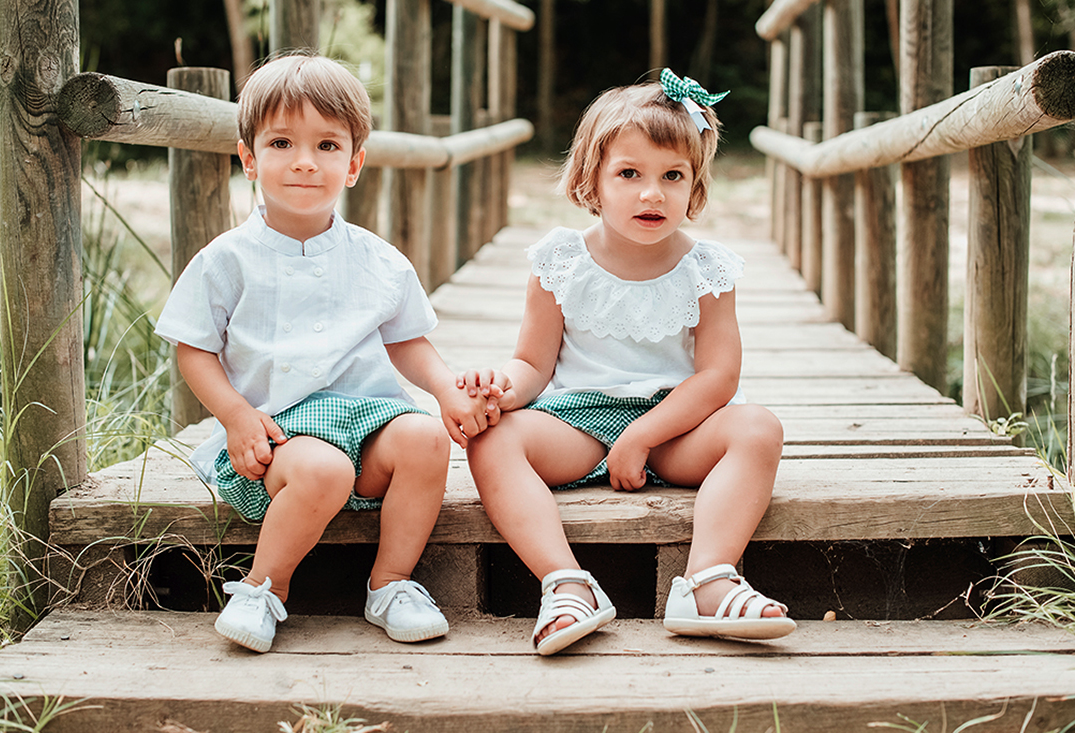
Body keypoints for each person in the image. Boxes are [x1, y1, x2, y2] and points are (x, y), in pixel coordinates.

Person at [156, 52, 491, 653]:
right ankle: (265, 587)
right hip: (278, 439)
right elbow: (195, 350)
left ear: (355, 163)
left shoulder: (379, 260)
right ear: (250, 158)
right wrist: (235, 415)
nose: (305, 162)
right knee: (323, 467)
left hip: (369, 427)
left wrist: (444, 389)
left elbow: (407, 340)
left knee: (424, 438)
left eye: (328, 146)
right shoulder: (226, 260)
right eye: (282, 143)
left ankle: (391, 583)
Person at [459, 69, 796, 656]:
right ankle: (565, 584)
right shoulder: (561, 261)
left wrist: (643, 435)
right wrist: (501, 390)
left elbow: (718, 377)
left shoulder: (707, 269)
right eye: (630, 174)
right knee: (491, 441)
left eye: (673, 177)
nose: (652, 193)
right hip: (576, 424)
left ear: (695, 186)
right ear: (593, 181)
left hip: (677, 426)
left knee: (759, 428)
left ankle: (708, 581)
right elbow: (532, 364)